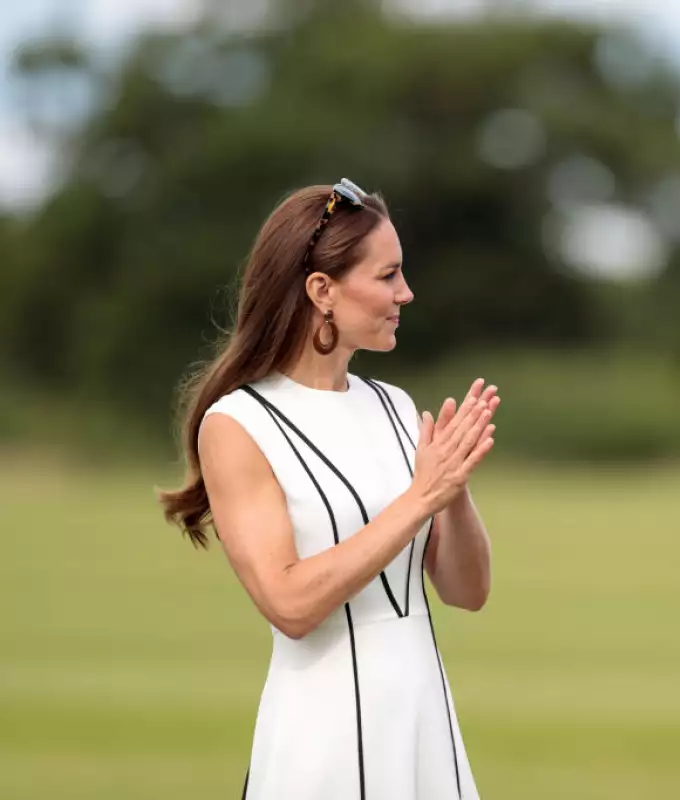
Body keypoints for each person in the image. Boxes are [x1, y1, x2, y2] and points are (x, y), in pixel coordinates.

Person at [157, 178, 496, 799]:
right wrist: (421, 497)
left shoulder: (394, 406)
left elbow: (468, 593)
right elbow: (289, 604)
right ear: (322, 291)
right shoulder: (238, 424)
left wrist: (454, 486)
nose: (406, 293)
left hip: (425, 726)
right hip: (322, 737)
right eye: (389, 276)